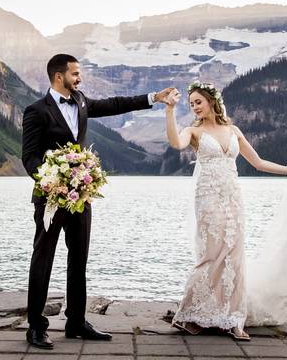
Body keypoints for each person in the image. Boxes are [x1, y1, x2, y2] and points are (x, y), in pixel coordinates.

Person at [21, 53, 174, 350]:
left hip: (81, 197)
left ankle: (76, 322)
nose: (80, 78)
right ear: (58, 76)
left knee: (79, 259)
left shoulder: (80, 102)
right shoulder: (36, 111)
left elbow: (115, 104)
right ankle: (36, 327)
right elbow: (29, 158)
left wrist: (154, 96)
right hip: (50, 199)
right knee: (43, 259)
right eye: (75, 73)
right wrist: (54, 181)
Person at [163, 81, 287, 340]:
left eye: (198, 102)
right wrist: (169, 110)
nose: (194, 107)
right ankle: (190, 314)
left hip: (233, 198)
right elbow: (176, 143)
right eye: (191, 104)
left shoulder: (233, 130)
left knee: (234, 257)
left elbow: (257, 162)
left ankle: (233, 319)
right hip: (208, 199)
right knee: (211, 255)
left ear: (211, 101)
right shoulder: (193, 131)